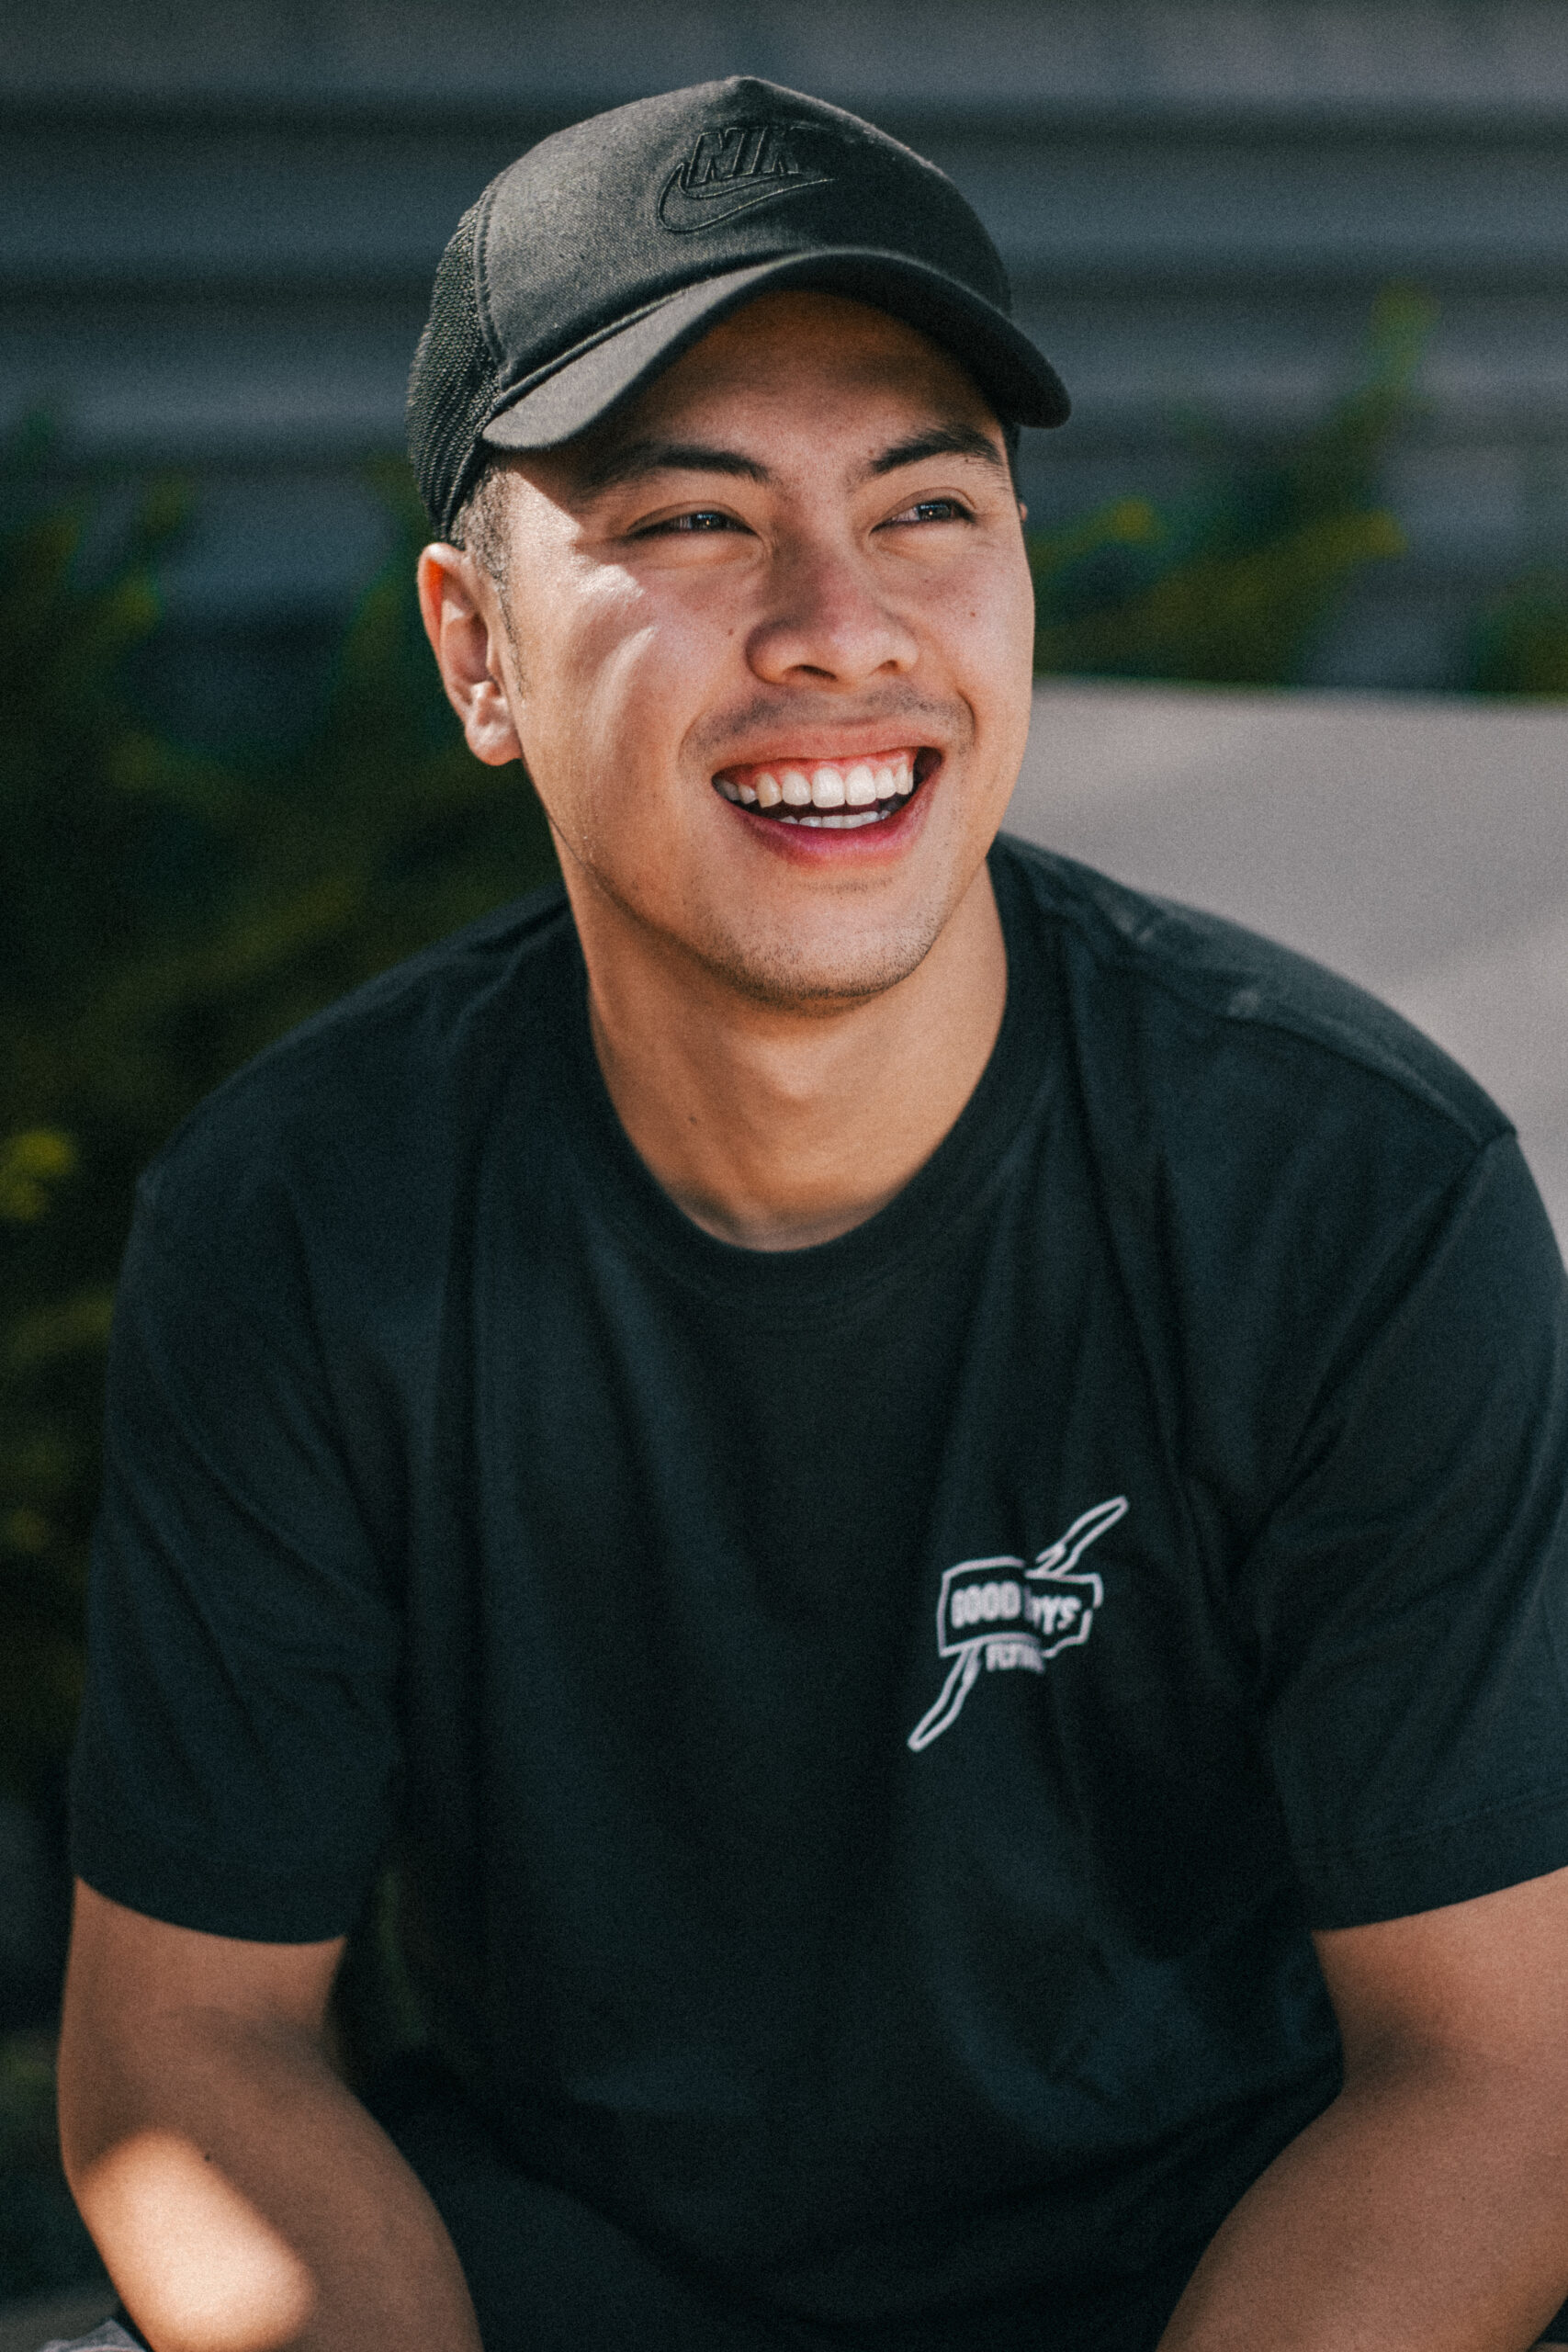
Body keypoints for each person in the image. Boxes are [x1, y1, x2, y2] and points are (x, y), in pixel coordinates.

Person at [50, 74, 1568, 2352]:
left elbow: (1498, 2077)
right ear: (476, 651)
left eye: (926, 503)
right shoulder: (303, 1224)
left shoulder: (1348, 1195)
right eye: (688, 519)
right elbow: (188, 2056)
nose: (836, 625)